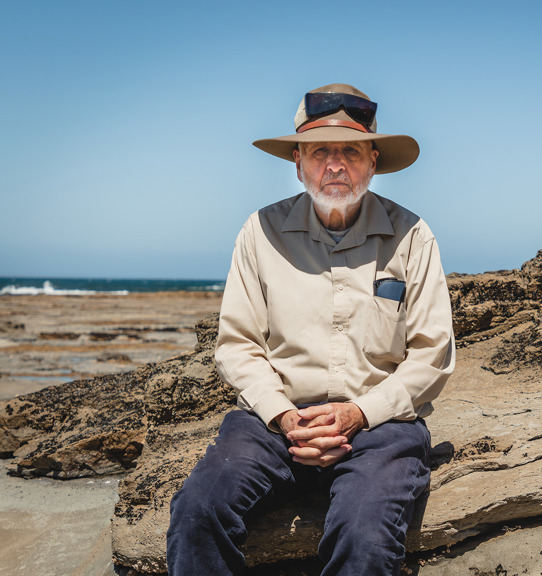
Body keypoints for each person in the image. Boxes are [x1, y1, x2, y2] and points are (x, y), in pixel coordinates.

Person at [166, 83, 456, 576]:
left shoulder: (413, 235)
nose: (335, 164)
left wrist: (359, 413)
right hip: (272, 422)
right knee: (197, 511)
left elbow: (433, 353)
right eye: (320, 151)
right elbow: (237, 345)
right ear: (298, 163)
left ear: (373, 160)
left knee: (364, 535)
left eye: (350, 150)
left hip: (380, 423)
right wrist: (284, 417)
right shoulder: (260, 231)